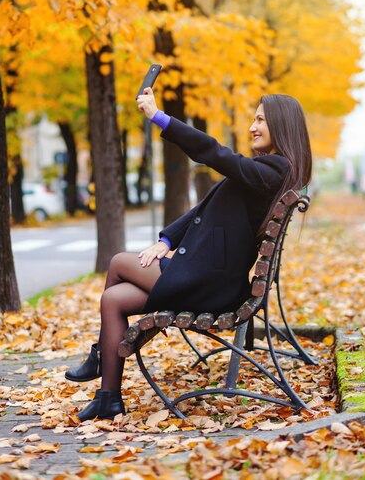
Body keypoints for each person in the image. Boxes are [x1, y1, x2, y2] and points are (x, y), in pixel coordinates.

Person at [66, 89, 312, 421]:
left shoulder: (273, 171)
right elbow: (204, 209)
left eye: (260, 120)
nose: (253, 127)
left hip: (210, 280)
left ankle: (100, 356)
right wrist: (166, 240)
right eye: (254, 119)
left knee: (119, 262)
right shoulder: (268, 171)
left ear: (281, 125)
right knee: (113, 300)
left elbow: (213, 153)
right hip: (207, 274)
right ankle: (108, 397)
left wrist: (160, 118)